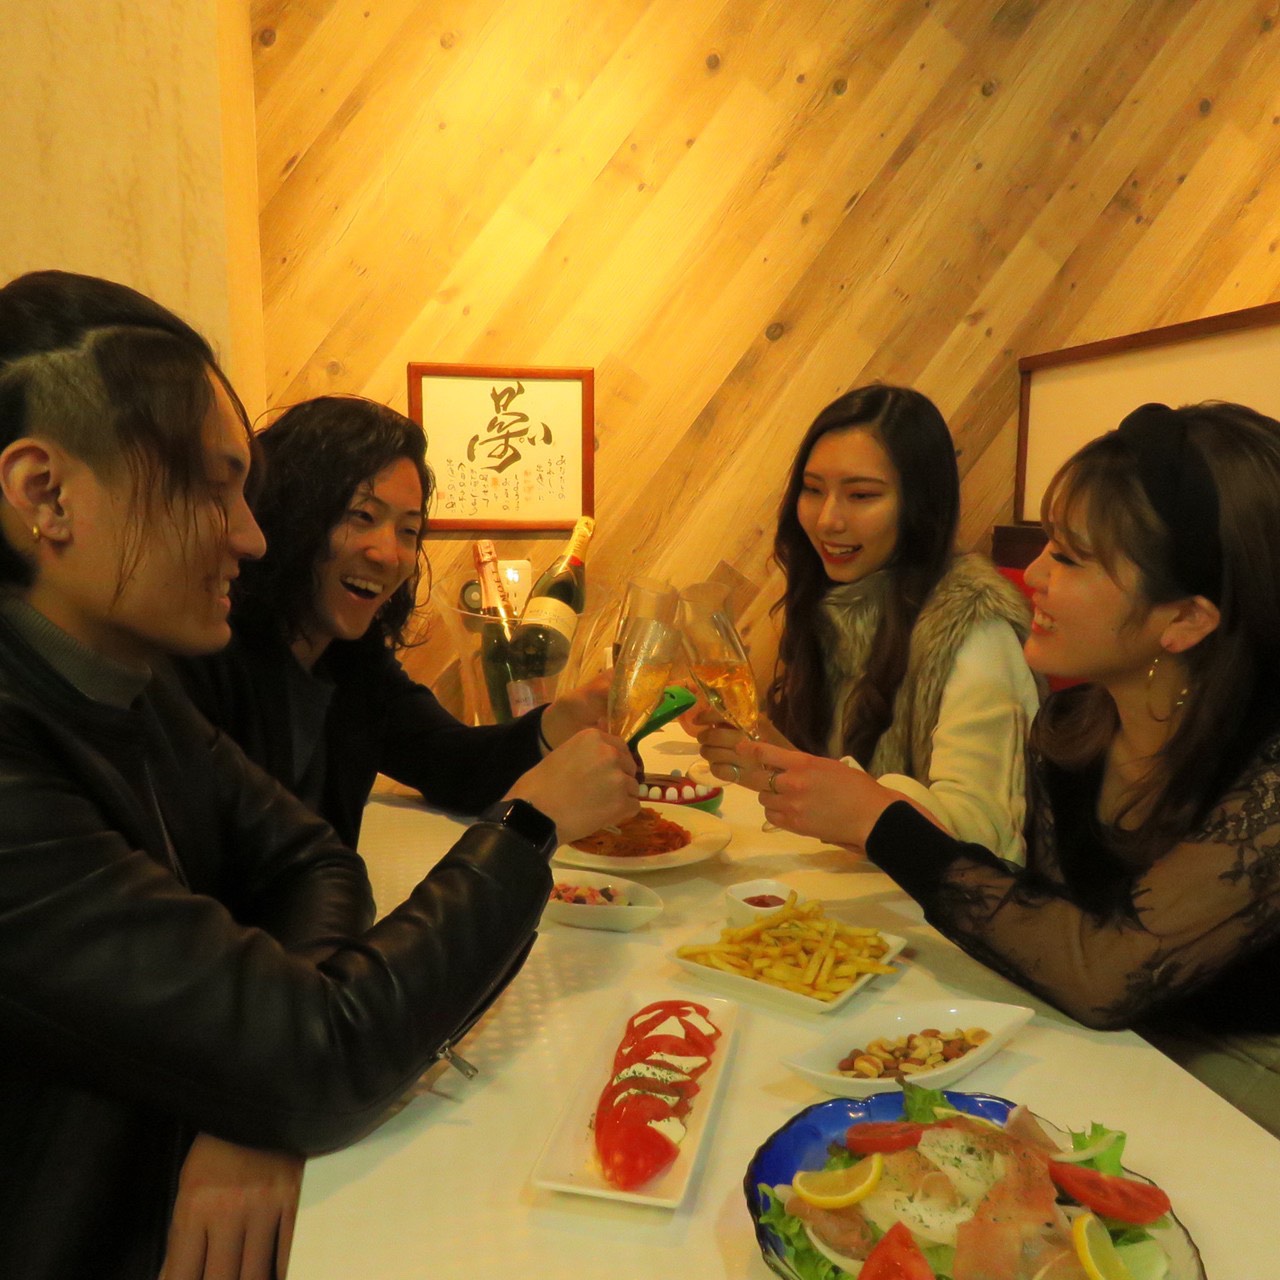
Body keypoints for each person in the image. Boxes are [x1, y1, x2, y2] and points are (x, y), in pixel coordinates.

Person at [0, 269, 638, 1280]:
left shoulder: (130, 684)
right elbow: (323, 1044)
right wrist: (525, 830)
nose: (247, 533)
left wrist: (258, 1071)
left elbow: (314, 860)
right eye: (214, 486)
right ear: (46, 493)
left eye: (409, 529)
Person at [744, 401, 1280, 1135]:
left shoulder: (1266, 769)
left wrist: (881, 821)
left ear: (1186, 619)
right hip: (1115, 1049)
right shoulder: (1074, 726)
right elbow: (1047, 923)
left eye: (1071, 558)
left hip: (1242, 1084)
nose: (1032, 574)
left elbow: (1102, 970)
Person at [175, 394, 607, 849]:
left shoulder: (350, 663)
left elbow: (453, 765)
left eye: (408, 530)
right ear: (292, 510)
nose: (388, 554)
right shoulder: (209, 662)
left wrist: (567, 716)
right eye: (362, 516)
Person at [697, 383, 1040, 863]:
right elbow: (831, 785)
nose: (827, 520)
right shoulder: (834, 604)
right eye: (813, 490)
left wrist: (843, 793)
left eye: (861, 495)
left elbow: (984, 840)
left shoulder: (974, 629)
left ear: (920, 505)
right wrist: (762, 749)